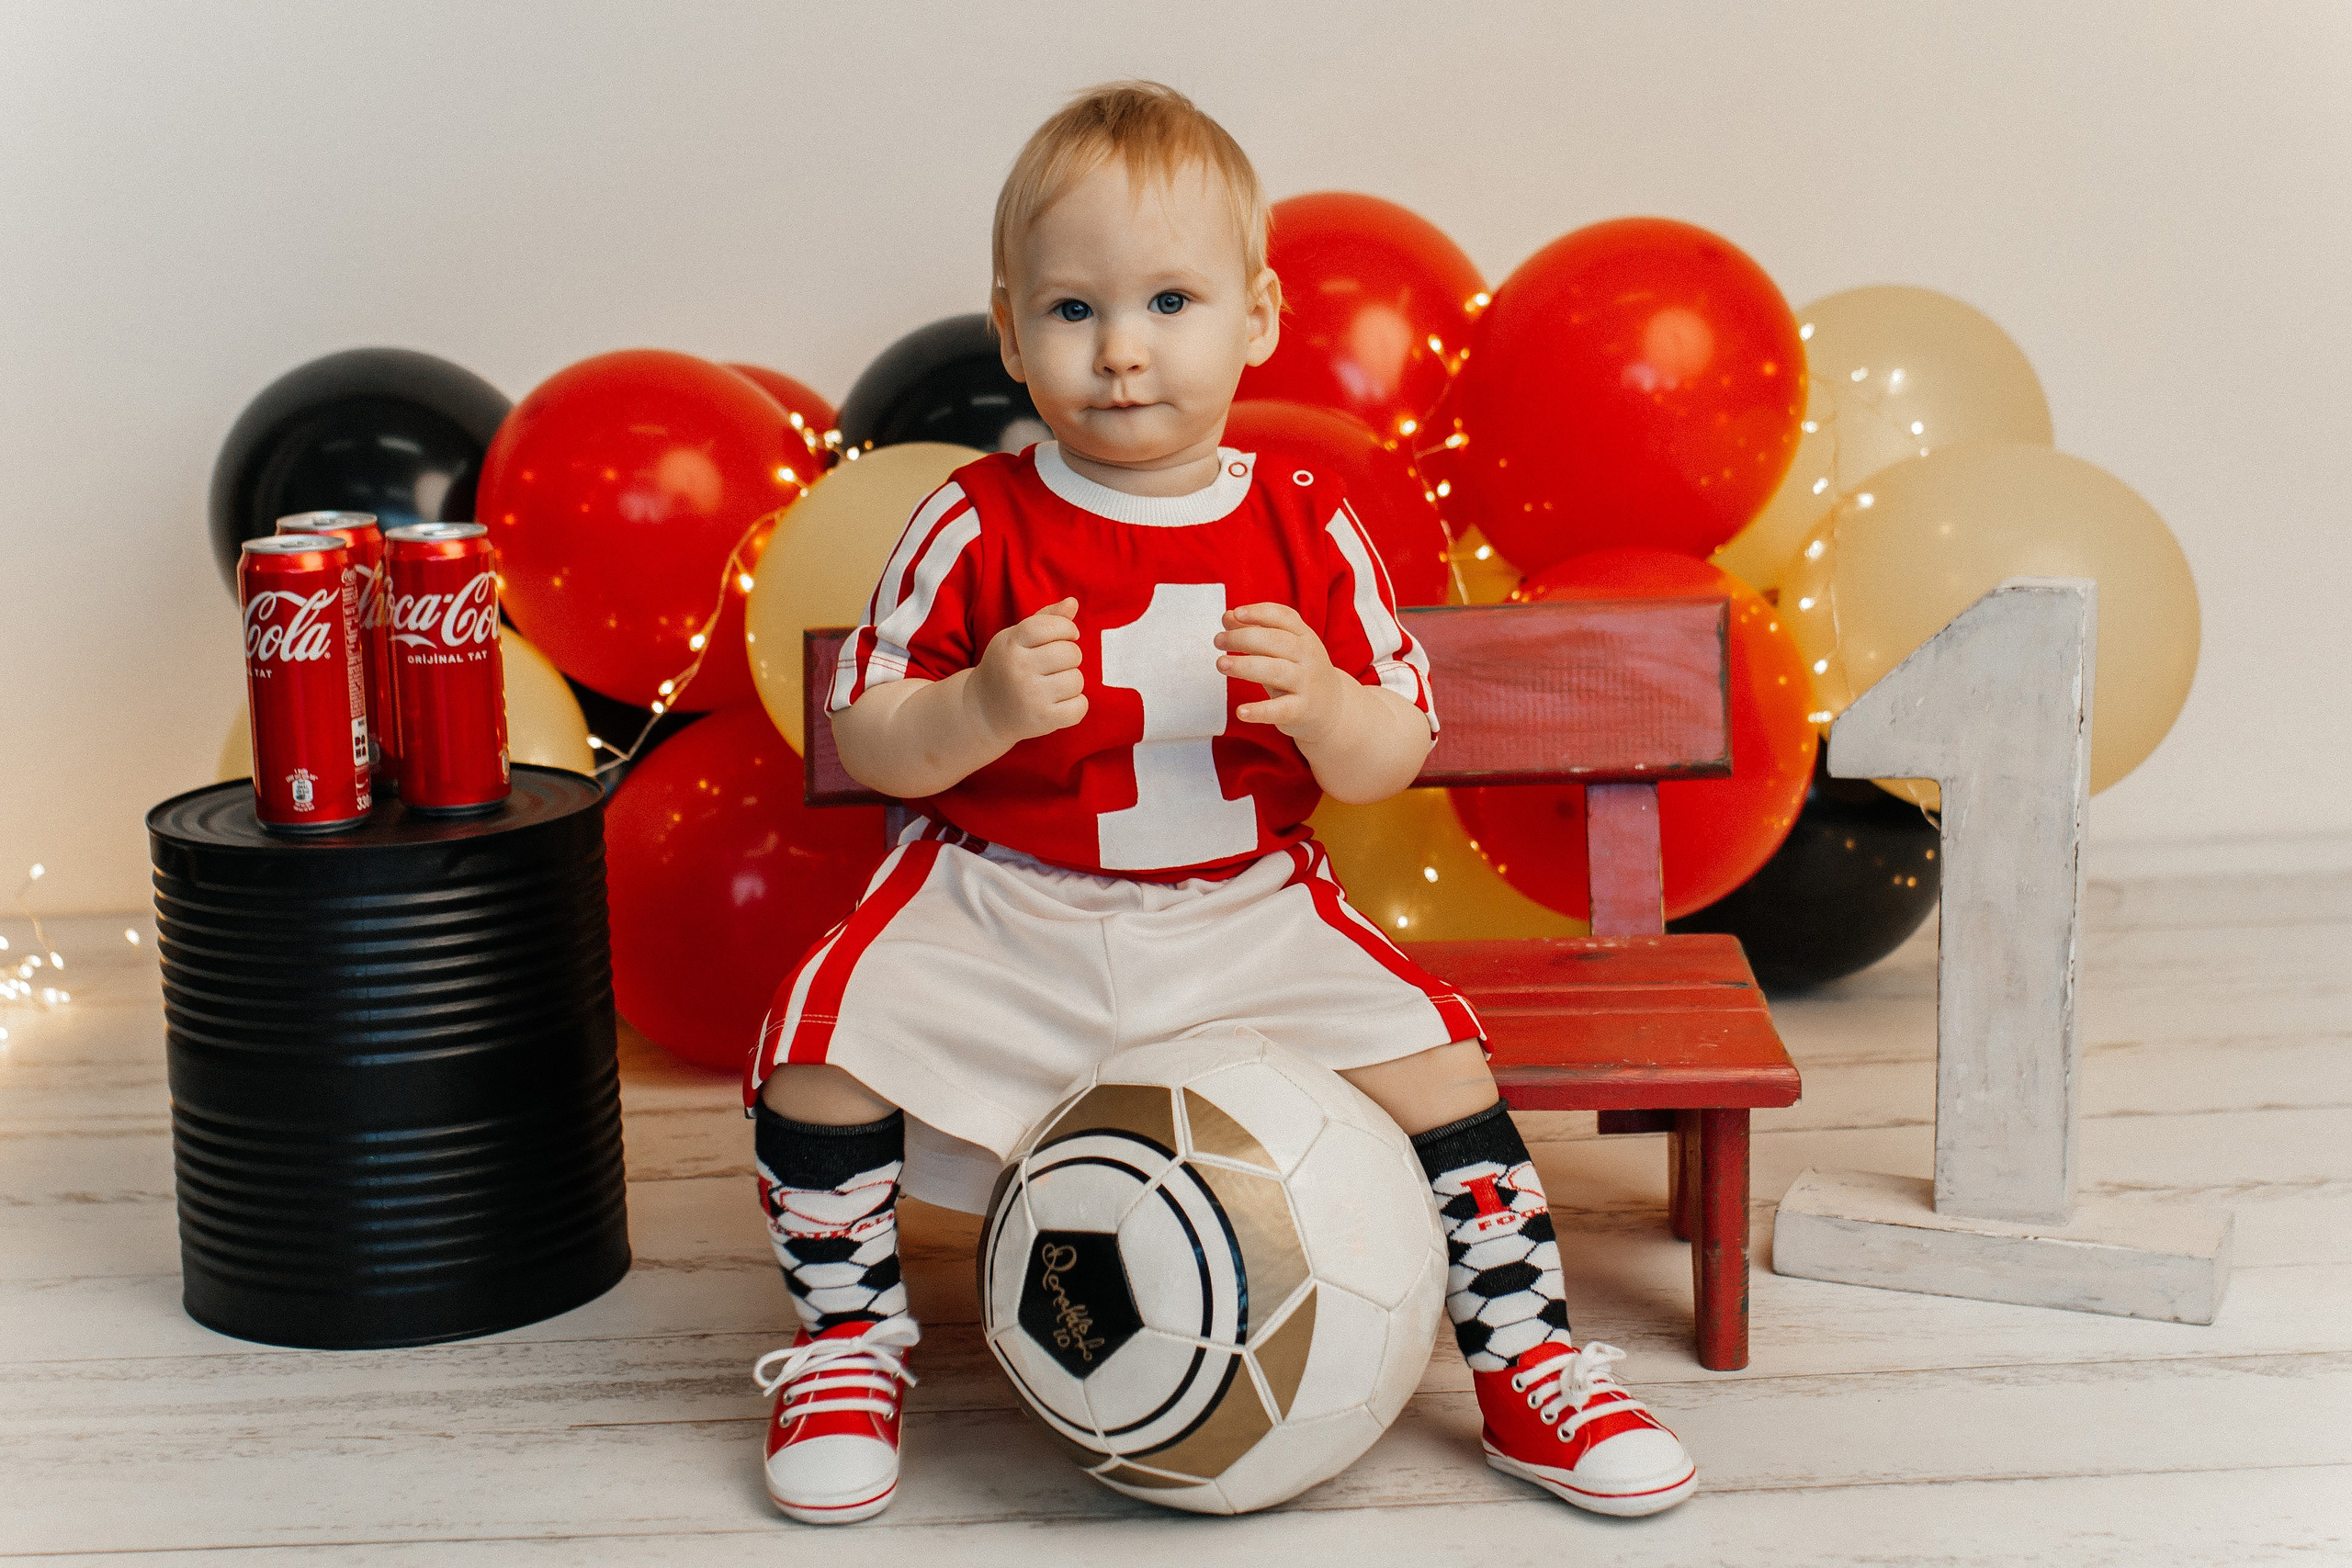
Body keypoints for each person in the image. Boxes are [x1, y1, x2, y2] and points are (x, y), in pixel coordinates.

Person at [743, 80, 1697, 1527]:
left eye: (1170, 303)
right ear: (1010, 332)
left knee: (1445, 1065)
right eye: (1072, 310)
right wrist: (977, 709)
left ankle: (1527, 1360)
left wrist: (1325, 706)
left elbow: (1392, 751)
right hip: (1005, 903)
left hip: (1242, 912)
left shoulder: (1304, 519)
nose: (1122, 350)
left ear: (1256, 320)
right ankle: (847, 1345)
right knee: (820, 1049)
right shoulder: (974, 520)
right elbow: (871, 737)